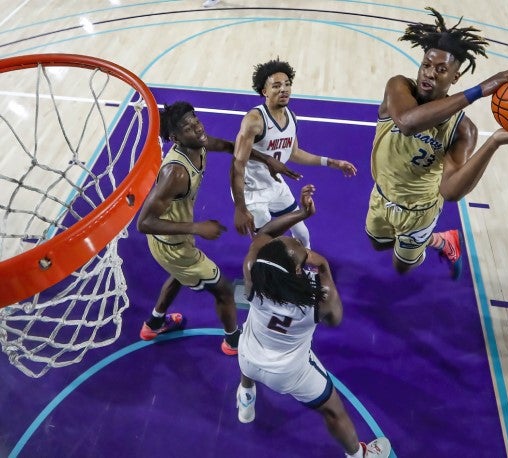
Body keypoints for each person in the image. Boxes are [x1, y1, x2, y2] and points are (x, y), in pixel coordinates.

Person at [365, 7, 508, 279]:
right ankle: (433, 239)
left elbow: (451, 191)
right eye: (426, 65)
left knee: (401, 267)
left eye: (441, 69)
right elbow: (407, 122)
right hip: (381, 196)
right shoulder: (399, 87)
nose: (429, 73)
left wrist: (495, 143)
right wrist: (479, 90)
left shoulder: (463, 130)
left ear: (455, 78)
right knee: (377, 243)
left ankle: (441, 240)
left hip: (419, 211)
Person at [235, 184, 391, 458]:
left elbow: (265, 233)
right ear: (298, 269)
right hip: (289, 373)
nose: (296, 242)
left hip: (247, 358)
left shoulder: (252, 274)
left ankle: (246, 396)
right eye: (299, 247)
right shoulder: (320, 296)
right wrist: (325, 268)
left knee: (250, 334)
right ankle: (359, 454)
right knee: (333, 411)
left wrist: (300, 214)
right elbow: (336, 320)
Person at [136, 101, 298, 355]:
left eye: (196, 120)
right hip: (172, 244)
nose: (197, 128)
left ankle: (154, 323)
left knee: (180, 275)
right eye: (188, 127)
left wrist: (266, 159)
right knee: (222, 289)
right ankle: (233, 342)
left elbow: (230, 147)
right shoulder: (176, 173)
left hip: (176, 238)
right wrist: (197, 227)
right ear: (175, 138)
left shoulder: (198, 143)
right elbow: (143, 223)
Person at [231, 58, 357, 248]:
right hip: (252, 191)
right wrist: (240, 207)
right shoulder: (254, 120)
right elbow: (237, 164)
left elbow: (293, 153)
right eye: (276, 86)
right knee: (266, 244)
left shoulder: (291, 116)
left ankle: (307, 267)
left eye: (287, 84)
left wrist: (332, 162)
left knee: (302, 233)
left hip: (275, 184)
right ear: (264, 91)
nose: (284, 89)